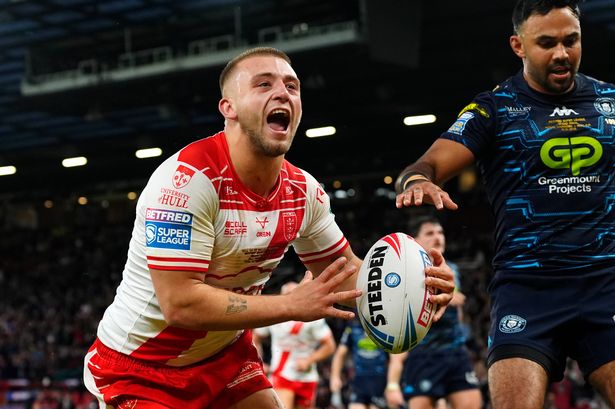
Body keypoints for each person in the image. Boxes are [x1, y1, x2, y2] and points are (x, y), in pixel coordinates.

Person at [82, 46, 456, 409]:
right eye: (264, 84)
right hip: (142, 366)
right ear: (228, 108)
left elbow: (344, 277)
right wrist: (290, 305)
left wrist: (417, 285)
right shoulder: (186, 181)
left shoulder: (303, 191)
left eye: (292, 86)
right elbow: (180, 304)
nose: (282, 92)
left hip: (223, 357)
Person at [394, 1, 615, 408]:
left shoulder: (610, 100)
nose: (562, 53)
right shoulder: (493, 109)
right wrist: (419, 180)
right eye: (546, 43)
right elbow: (426, 165)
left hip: (606, 285)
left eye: (571, 40)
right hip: (527, 290)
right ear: (518, 46)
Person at [384, 217, 482, 409]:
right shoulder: (405, 274)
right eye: (430, 233)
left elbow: (458, 312)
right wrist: (392, 383)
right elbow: (398, 325)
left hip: (455, 352)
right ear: (415, 241)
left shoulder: (452, 270)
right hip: (424, 356)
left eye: (440, 232)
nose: (438, 238)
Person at [253, 281, 336, 409]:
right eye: (287, 295)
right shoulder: (273, 315)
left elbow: (330, 346)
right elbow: (255, 338)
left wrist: (309, 360)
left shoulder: (313, 317)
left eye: (294, 294)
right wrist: (260, 364)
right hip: (281, 374)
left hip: (307, 377)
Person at [329, 316, 389, 409]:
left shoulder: (385, 328)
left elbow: (394, 357)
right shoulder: (352, 327)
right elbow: (340, 354)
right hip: (359, 381)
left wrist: (393, 383)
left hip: (380, 381)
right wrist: (334, 377)